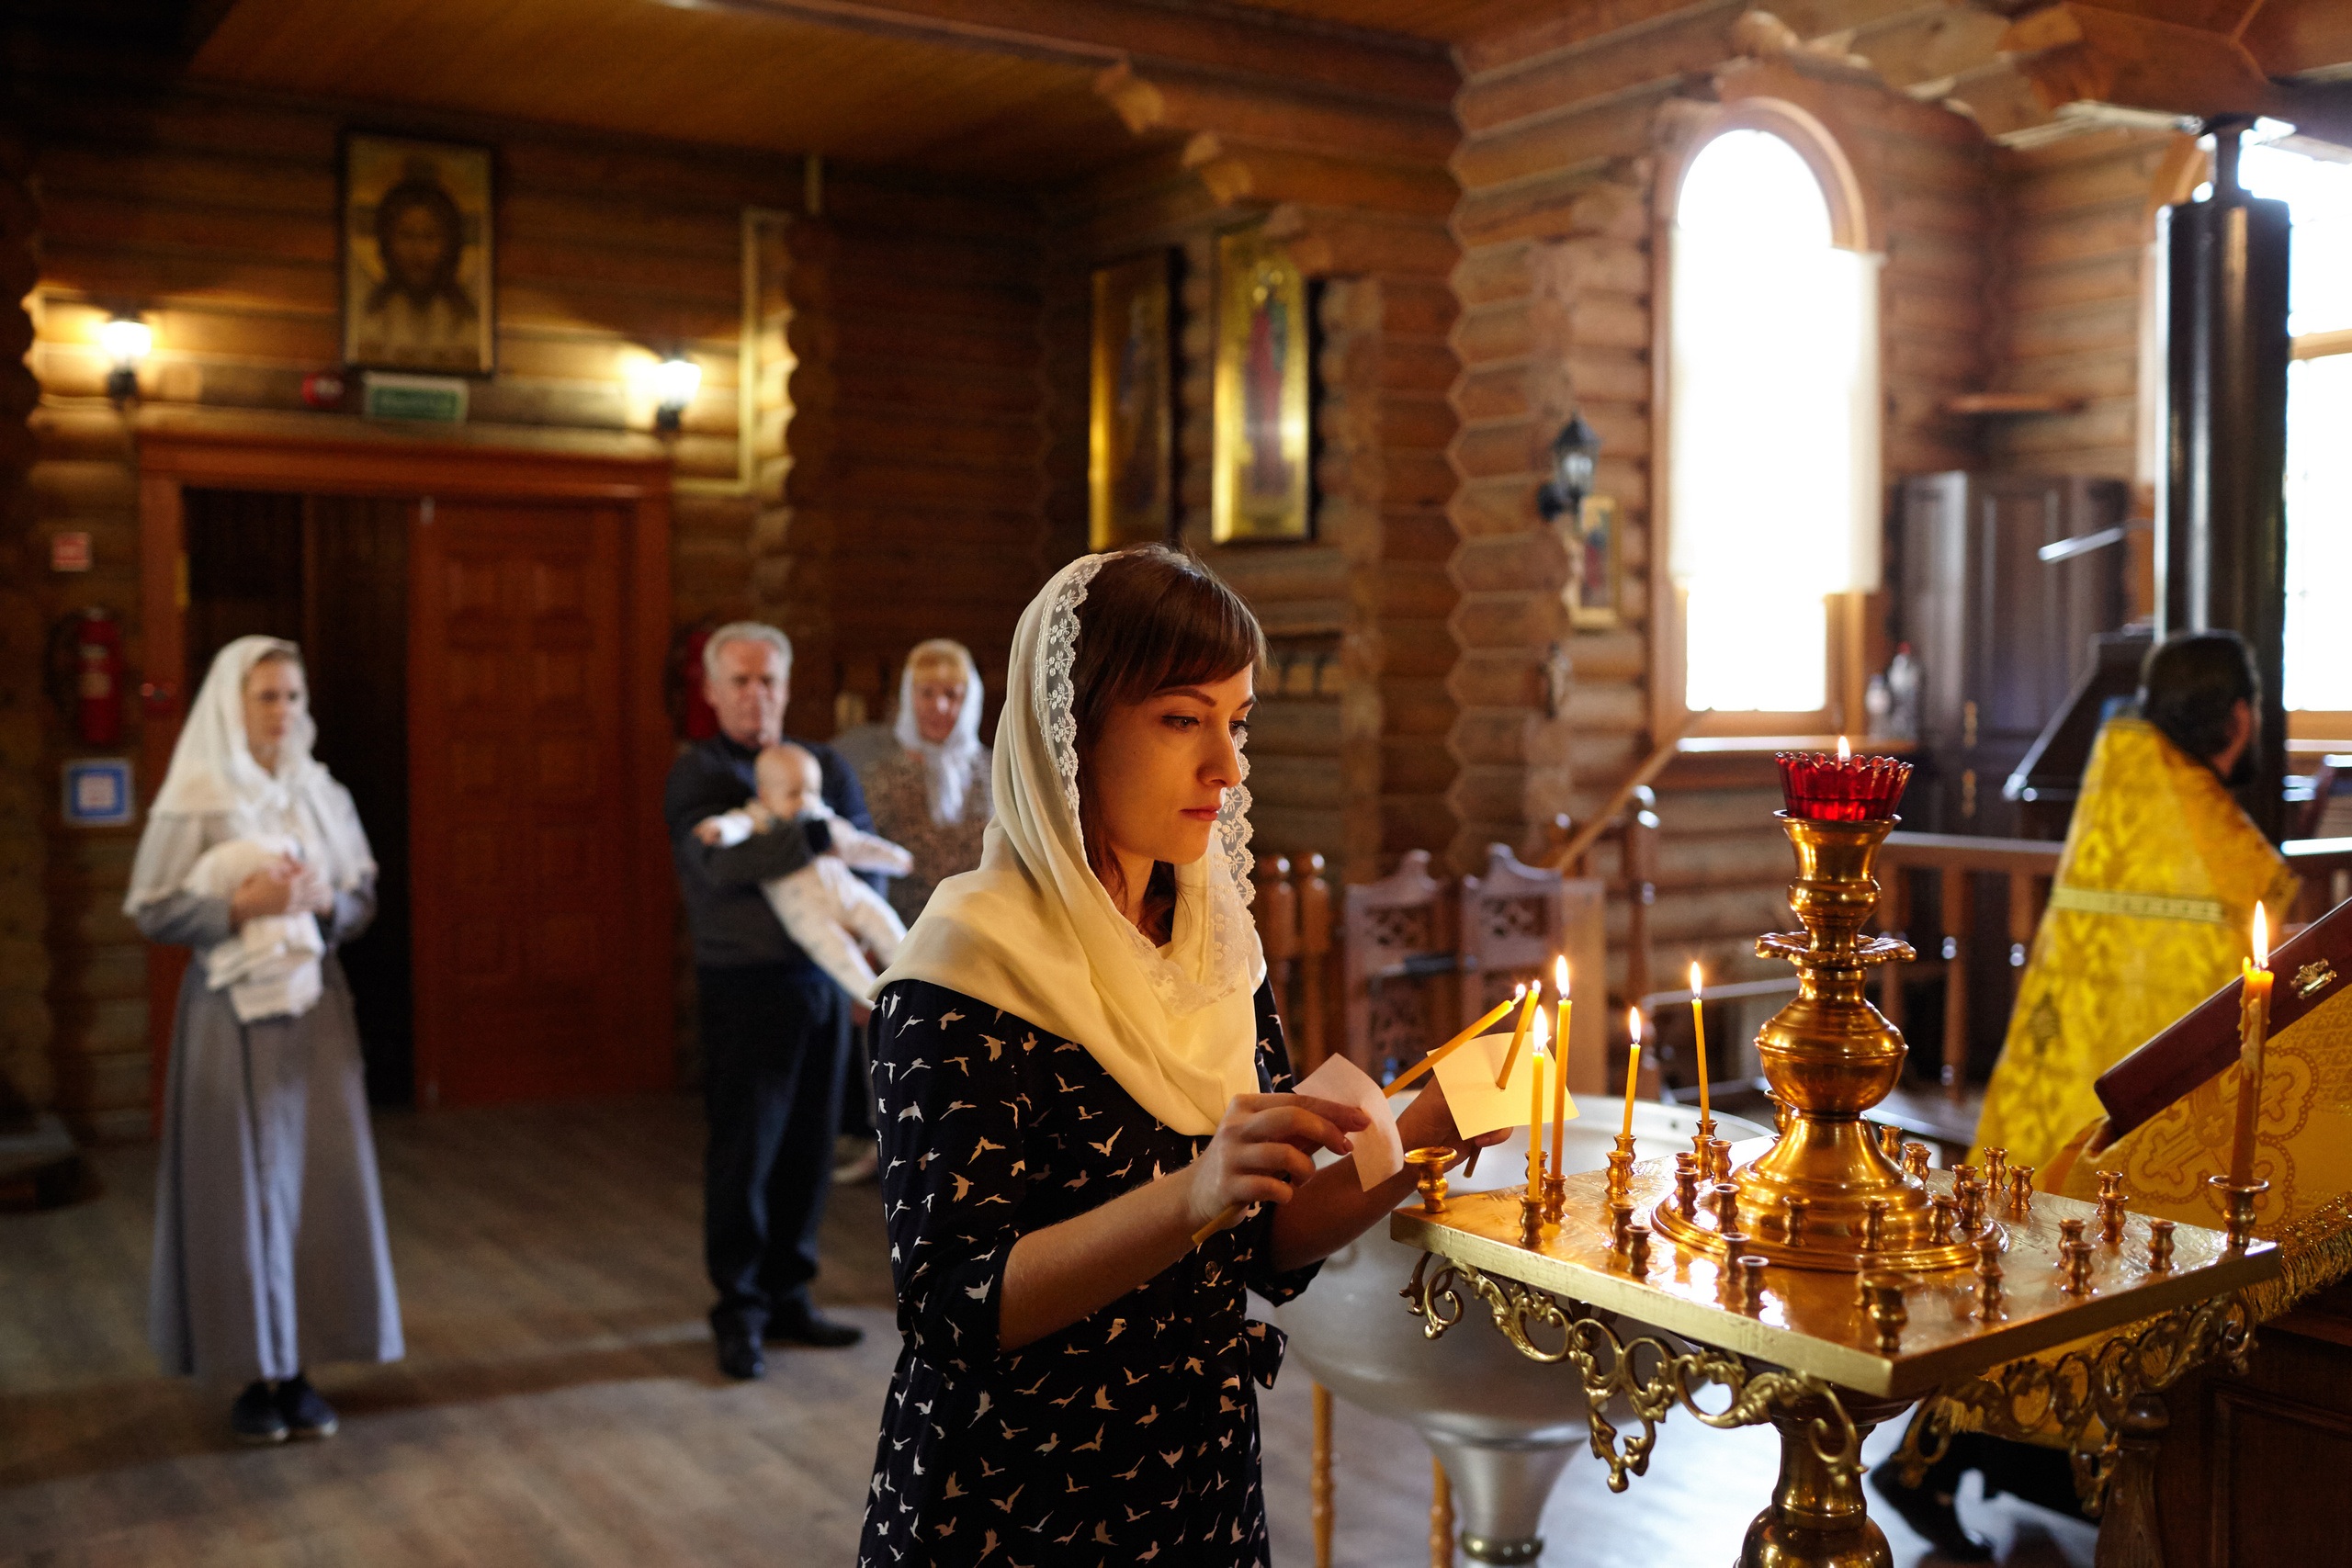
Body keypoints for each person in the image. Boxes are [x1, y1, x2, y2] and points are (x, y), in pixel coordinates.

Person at [858, 547, 1500, 1565]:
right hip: (1016, 1497)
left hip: (1193, 1476)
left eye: (1236, 722)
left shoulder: (1213, 948)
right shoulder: (966, 967)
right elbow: (951, 1307)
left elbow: (1266, 1245)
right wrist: (1194, 1192)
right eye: (1180, 719)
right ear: (1070, 727)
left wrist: (1424, 1132)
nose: (1229, 767)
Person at [126, 637, 401, 1445]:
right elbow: (153, 908)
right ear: (231, 705)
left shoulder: (321, 792)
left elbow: (361, 898)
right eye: (266, 697)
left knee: (317, 1185)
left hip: (315, 1011)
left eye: (293, 697)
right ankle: (252, 1373)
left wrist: (325, 903)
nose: (283, 713)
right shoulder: (200, 795)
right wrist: (235, 908)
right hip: (229, 1018)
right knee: (237, 1192)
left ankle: (305, 1365)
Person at [1970, 630, 2297, 1176]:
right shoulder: (2237, 861)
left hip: (2042, 1144)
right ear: (2240, 718)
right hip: (2161, 1163)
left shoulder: (2113, 796)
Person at [663, 623, 872, 1380]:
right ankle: (740, 1309)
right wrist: (815, 839)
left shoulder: (824, 764)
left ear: (786, 688)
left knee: (812, 1145)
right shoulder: (700, 775)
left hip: (823, 985)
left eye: (769, 681)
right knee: (746, 1150)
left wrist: (859, 969)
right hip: (744, 985)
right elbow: (721, 866)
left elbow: (860, 863)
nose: (757, 696)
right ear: (714, 691)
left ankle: (792, 1294)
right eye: (741, 681)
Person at [692, 742, 913, 1003]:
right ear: (764, 796)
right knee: (836, 952)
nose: (806, 801)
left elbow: (856, 845)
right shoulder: (758, 820)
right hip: (805, 911)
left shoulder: (821, 817)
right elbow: (735, 824)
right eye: (794, 794)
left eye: (812, 791)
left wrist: (896, 860)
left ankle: (913, 979)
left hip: (846, 893)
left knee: (883, 918)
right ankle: (873, 996)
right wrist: (718, 831)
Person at [858, 637, 993, 928]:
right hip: (903, 932)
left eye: (951, 694)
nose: (940, 706)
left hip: (984, 926)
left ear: (969, 699)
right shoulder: (880, 778)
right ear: (909, 697)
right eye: (927, 694)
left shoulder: (998, 772)